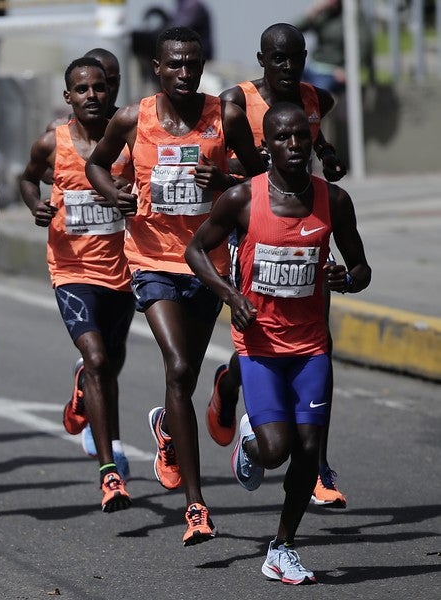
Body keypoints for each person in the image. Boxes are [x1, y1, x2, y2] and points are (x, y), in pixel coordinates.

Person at [85, 26, 265, 546]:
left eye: (193, 64)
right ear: (157, 69)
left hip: (206, 264)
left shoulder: (224, 116)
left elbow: (259, 180)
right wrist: (114, 194)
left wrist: (225, 183)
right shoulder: (131, 118)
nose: (185, 74)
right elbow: (98, 164)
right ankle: (196, 507)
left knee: (180, 383)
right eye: (175, 66)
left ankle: (168, 425)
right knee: (180, 365)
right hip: (151, 259)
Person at [185, 102, 370, 584]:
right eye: (284, 139)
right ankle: (250, 440)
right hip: (260, 346)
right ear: (266, 147)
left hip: (310, 347)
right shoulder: (244, 199)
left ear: (312, 143)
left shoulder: (335, 201)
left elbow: (361, 268)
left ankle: (282, 546)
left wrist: (344, 278)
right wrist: (229, 295)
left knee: (309, 448)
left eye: (302, 138)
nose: (294, 146)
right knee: (275, 451)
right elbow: (195, 250)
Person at [211, 22, 349, 509]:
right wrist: (225, 176)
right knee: (264, 319)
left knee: (314, 330)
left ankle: (318, 461)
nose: (289, 69)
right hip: (252, 221)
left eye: (297, 59)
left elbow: (319, 125)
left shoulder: (314, 98)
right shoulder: (236, 101)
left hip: (304, 216)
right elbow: (224, 159)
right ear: (262, 60)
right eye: (279, 60)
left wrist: (327, 154)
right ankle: (231, 385)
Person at [20, 57, 135, 512]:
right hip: (71, 270)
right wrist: (36, 206)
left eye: (100, 88)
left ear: (111, 91)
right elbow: (27, 180)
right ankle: (109, 472)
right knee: (98, 357)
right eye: (81, 89)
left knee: (111, 363)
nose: (92, 95)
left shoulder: (130, 139)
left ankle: (83, 391)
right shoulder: (52, 143)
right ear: (68, 97)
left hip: (123, 270)